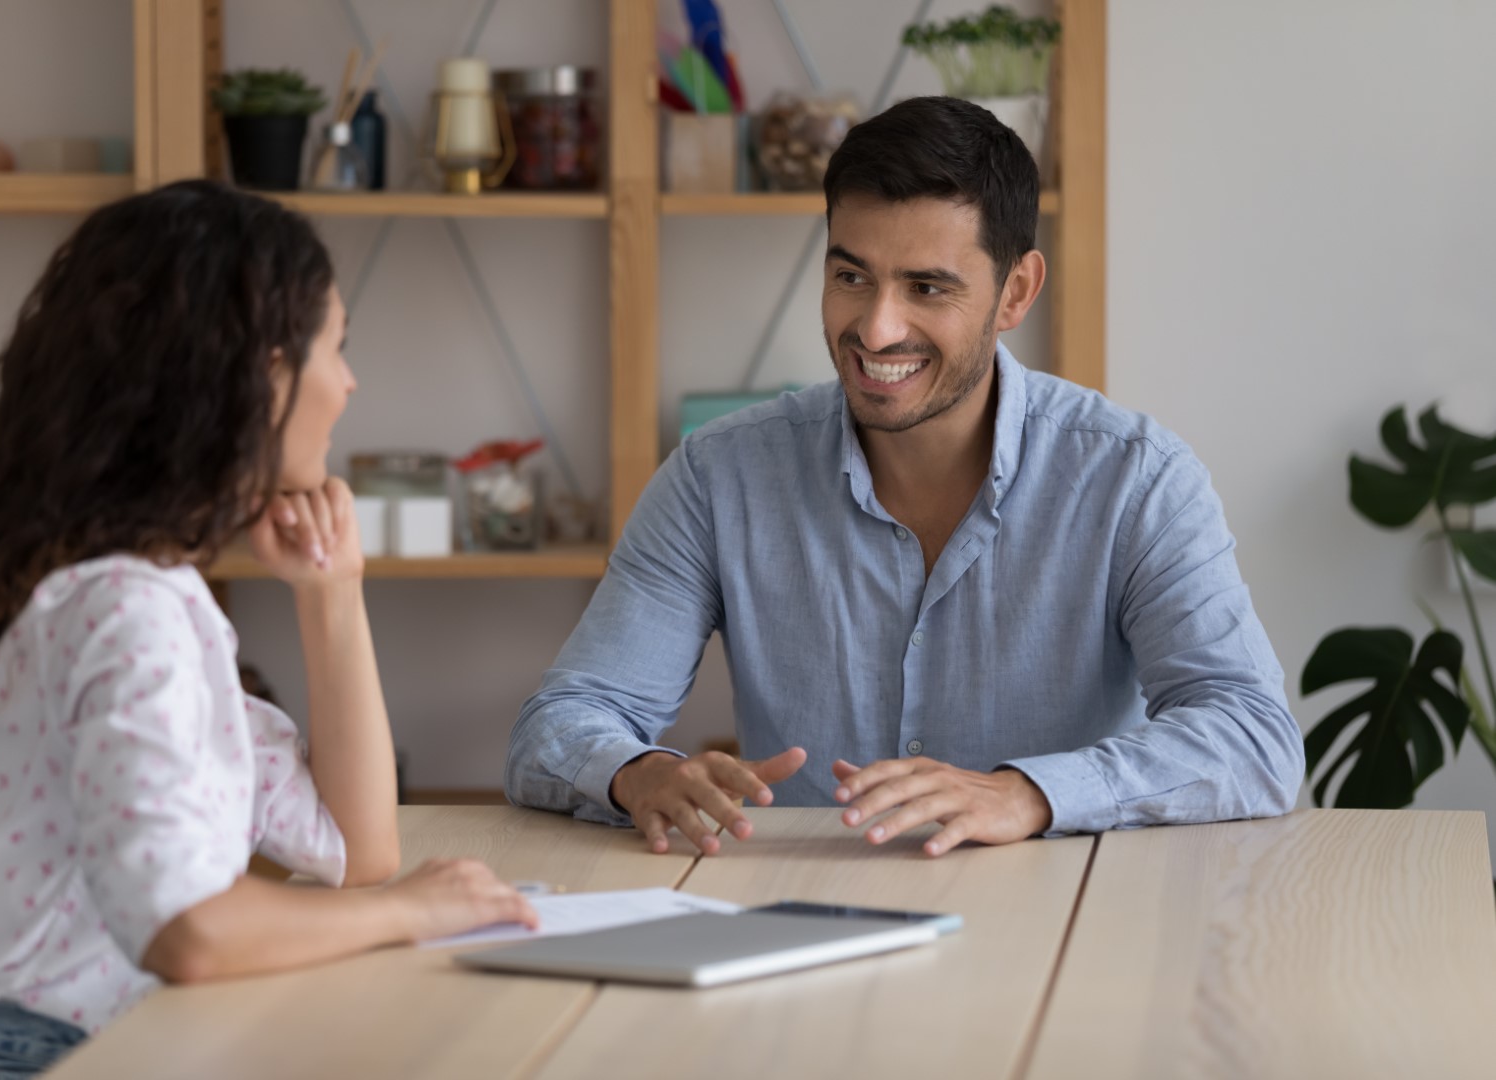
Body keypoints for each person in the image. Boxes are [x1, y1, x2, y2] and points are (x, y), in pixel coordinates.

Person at [506, 96, 1303, 858]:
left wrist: (1027, 794)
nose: (876, 327)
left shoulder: (1136, 479)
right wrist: (640, 775)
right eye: (852, 277)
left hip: (1066, 923)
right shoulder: (719, 477)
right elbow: (563, 721)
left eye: (927, 288)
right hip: (804, 922)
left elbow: (1251, 735)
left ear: (1015, 292)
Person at [0, 180, 536, 1078]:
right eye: (334, 348)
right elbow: (187, 930)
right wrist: (417, 911)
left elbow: (358, 848)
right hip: (8, 1056)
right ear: (263, 375)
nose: (348, 382)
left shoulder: (124, 595)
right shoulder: (122, 611)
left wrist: (332, 592)